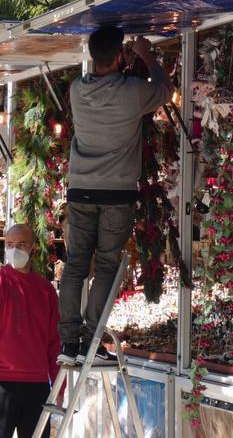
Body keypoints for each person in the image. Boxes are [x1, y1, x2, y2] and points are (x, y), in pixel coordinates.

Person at [57, 26, 173, 365]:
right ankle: (92, 342)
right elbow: (164, 91)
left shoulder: (78, 90)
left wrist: (126, 55)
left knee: (76, 264)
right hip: (117, 193)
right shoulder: (132, 92)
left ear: (93, 56)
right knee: (106, 264)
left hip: (80, 190)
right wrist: (147, 55)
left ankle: (68, 343)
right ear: (120, 56)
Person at [0, 224, 60, 438]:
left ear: (33, 248)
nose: (15, 250)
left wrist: (59, 387)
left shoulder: (46, 290)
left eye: (21, 244)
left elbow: (54, 342)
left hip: (37, 385)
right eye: (10, 244)